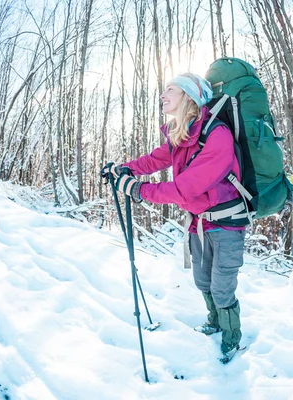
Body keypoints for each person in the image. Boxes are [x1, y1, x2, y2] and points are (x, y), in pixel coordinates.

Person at [101, 73, 246, 361]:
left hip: (227, 224)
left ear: (188, 98)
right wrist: (125, 169)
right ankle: (215, 321)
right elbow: (155, 160)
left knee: (221, 286)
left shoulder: (217, 135)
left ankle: (232, 337)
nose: (163, 95)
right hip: (199, 222)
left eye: (170, 90)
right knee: (203, 280)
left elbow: (186, 188)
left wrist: (140, 190)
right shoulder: (183, 133)